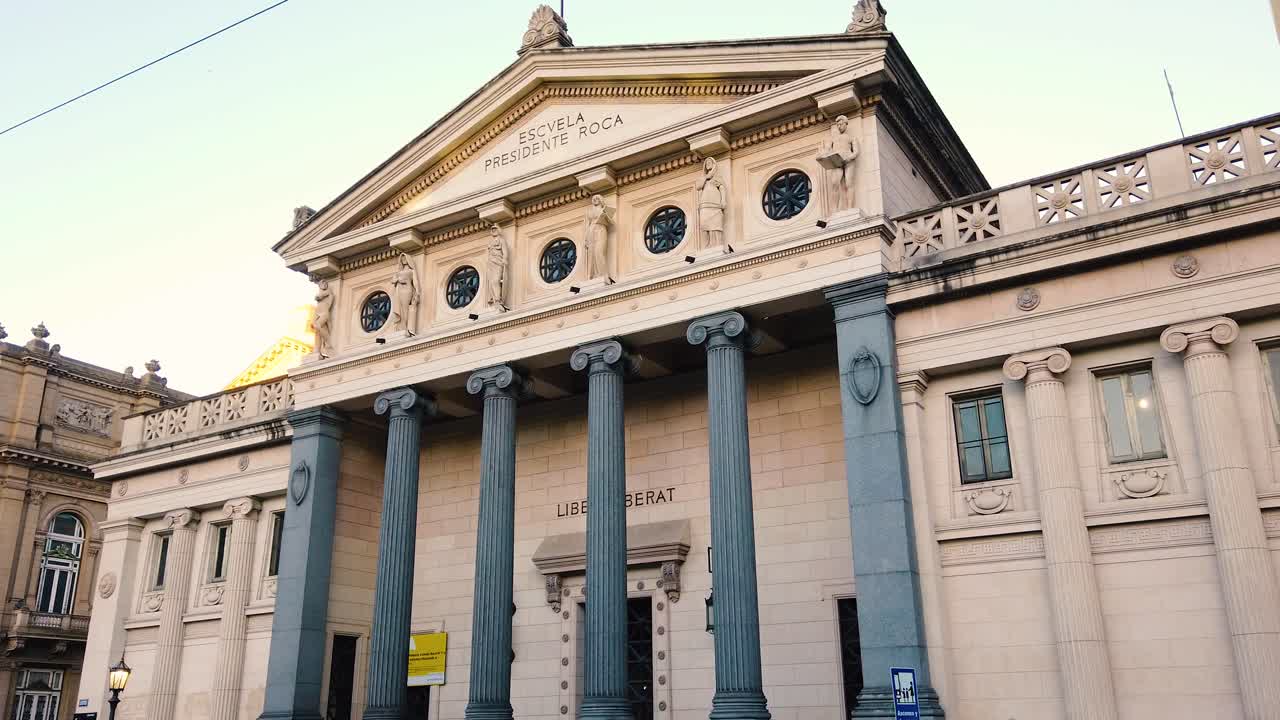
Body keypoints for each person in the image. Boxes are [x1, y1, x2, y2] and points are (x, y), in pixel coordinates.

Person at [822, 114, 860, 212]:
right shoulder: (833, 138)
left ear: (846, 124)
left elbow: (856, 151)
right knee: (835, 183)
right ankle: (834, 209)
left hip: (848, 161)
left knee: (849, 183)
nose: (839, 126)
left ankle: (850, 207)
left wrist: (849, 158)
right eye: (838, 125)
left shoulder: (851, 138)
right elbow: (828, 148)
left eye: (841, 124)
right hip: (837, 160)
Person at [695, 157, 726, 247]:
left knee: (716, 223)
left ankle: (717, 243)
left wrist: (723, 200)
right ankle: (709, 243)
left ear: (713, 164)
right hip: (705, 203)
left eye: (710, 162)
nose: (708, 163)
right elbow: (698, 187)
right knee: (705, 223)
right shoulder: (703, 178)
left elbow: (722, 188)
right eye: (706, 162)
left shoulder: (717, 177)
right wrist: (706, 177)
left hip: (715, 203)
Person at [584, 194, 614, 282]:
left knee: (599, 252)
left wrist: (606, 216)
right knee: (592, 253)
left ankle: (603, 274)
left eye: (597, 198)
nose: (595, 200)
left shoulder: (604, 210)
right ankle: (593, 275)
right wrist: (585, 239)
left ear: (601, 200)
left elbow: (611, 222)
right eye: (593, 198)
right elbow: (587, 225)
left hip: (601, 229)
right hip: (591, 231)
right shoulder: (589, 212)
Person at [390, 253, 420, 334]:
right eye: (402, 259)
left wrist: (417, 292)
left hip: (407, 290)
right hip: (399, 290)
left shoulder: (412, 271)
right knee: (400, 309)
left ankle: (406, 327)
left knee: (405, 309)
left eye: (405, 258)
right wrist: (398, 280)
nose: (403, 260)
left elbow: (415, 282)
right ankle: (401, 327)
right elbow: (392, 281)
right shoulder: (399, 272)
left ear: (408, 259)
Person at [486, 224, 509, 310]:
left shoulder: (501, 240)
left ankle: (498, 300)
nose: (494, 231)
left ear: (499, 230)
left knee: (496, 281)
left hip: (498, 262)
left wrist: (505, 260)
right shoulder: (491, 242)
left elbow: (505, 251)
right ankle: (495, 300)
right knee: (492, 282)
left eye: (495, 229)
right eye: (492, 229)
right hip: (491, 263)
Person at [312, 279, 334, 356]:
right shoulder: (322, 292)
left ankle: (328, 342)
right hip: (318, 311)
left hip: (324, 312)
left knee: (317, 325)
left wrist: (320, 295)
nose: (324, 285)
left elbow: (318, 297)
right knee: (317, 329)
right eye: (322, 284)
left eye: (325, 284)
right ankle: (317, 349)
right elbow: (317, 297)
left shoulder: (328, 292)